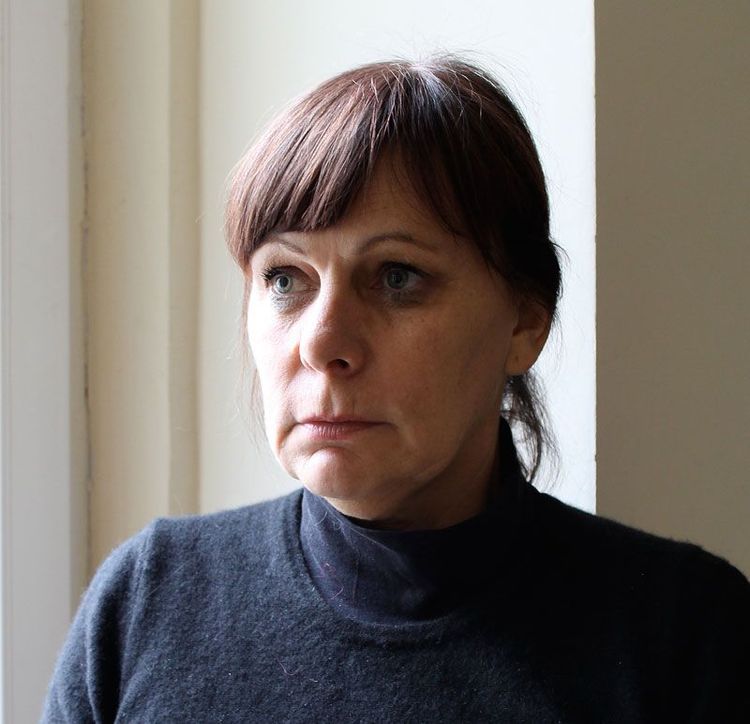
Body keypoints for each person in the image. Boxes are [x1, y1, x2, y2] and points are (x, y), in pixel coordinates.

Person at [43, 56, 749, 723]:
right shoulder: (148, 600)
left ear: (525, 322)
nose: (322, 342)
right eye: (285, 279)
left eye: (396, 277)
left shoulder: (684, 635)